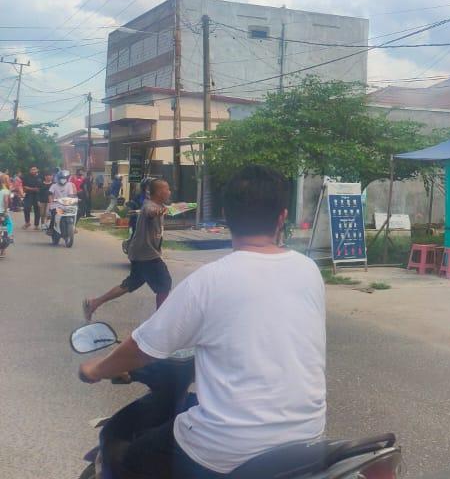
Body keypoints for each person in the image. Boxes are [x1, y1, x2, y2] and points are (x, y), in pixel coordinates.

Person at [78, 164, 327, 478]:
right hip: (306, 441)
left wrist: (95, 369)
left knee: (128, 455)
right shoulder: (309, 271)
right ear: (282, 217)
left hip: (224, 448)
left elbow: (143, 348)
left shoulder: (209, 281)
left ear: (226, 216)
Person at [83, 179, 174, 319]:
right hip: (147, 256)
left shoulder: (158, 205)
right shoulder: (149, 206)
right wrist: (166, 210)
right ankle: (159, 322)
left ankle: (94, 303)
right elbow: (151, 212)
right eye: (166, 189)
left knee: (129, 285)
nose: (169, 192)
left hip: (141, 254)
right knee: (164, 284)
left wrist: (171, 208)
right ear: (159, 192)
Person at [0, 174, 11, 257]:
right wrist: (5, 210)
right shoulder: (6, 190)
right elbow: (6, 201)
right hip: (3, 212)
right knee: (5, 230)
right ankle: (3, 251)